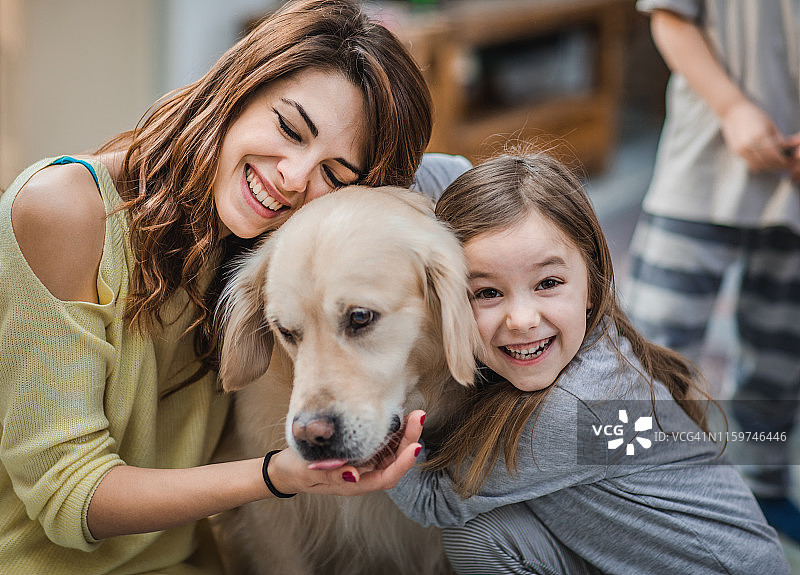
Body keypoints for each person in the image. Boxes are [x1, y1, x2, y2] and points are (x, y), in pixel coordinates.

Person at [0, 0, 464, 572]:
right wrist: (275, 475)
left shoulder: (281, 254)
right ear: (239, 88)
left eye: (335, 174)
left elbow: (448, 184)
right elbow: (68, 497)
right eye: (290, 128)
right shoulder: (65, 208)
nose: (293, 178)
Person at [387, 152, 790, 575]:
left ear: (592, 286)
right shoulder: (593, 346)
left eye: (548, 283)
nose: (522, 319)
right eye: (487, 292)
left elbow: (431, 500)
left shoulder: (577, 408)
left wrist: (377, 397)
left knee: (469, 534)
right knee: (487, 533)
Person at [623, 0, 800, 543]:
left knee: (779, 355)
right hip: (699, 169)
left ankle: (761, 486)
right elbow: (669, 16)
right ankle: (632, 490)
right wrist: (732, 108)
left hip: (793, 193)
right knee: (645, 353)